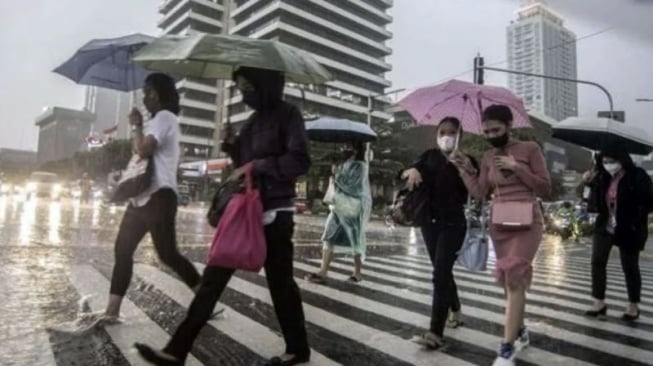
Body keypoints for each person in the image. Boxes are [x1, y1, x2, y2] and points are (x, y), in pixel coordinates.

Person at [135, 66, 311, 366]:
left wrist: (258, 167)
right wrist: (232, 146)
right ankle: (176, 350)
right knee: (212, 280)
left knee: (281, 285)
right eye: (240, 89)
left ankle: (298, 349)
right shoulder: (253, 121)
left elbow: (299, 159)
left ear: (264, 85)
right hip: (244, 212)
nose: (244, 95)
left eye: (248, 88)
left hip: (275, 213)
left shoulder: (289, 115)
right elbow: (242, 164)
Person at [450, 105, 551, 366]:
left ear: (509, 126)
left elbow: (544, 187)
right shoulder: (487, 156)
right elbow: (480, 192)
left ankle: (506, 349)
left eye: (496, 129)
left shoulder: (529, 149)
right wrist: (464, 169)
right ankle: (520, 330)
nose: (491, 134)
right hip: (500, 222)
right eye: (486, 131)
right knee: (510, 283)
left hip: (528, 221)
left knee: (516, 278)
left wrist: (516, 167)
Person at [101, 73, 202, 322]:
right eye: (144, 92)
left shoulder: (165, 117)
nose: (145, 97)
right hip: (140, 198)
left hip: (159, 196)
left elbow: (144, 150)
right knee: (122, 250)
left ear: (158, 94)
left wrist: (136, 125)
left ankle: (206, 301)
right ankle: (111, 312)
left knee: (168, 254)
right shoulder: (157, 121)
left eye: (148, 92)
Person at [400, 117, 478, 350]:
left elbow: (479, 190)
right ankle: (455, 308)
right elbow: (405, 174)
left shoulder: (467, 160)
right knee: (440, 271)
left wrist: (468, 169)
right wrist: (410, 170)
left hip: (454, 224)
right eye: (442, 132)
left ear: (459, 136)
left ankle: (435, 331)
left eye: (452, 132)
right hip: (429, 223)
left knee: (440, 273)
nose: (446, 136)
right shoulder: (429, 156)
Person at [583, 146, 653, 321]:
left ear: (622, 160)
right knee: (597, 262)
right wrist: (589, 182)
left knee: (629, 266)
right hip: (604, 226)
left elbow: (649, 201)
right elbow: (592, 203)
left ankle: (633, 305)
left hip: (629, 227)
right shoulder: (602, 176)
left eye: (612, 161)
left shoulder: (638, 175)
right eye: (605, 162)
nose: (608, 165)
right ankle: (599, 302)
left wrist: (635, 213)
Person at [305, 141, 372, 284]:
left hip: (351, 209)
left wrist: (338, 177)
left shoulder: (361, 167)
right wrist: (334, 176)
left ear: (355, 149)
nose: (344, 149)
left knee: (354, 240)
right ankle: (323, 271)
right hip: (337, 207)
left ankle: (357, 272)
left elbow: (354, 188)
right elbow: (339, 186)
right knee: (328, 236)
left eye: (348, 146)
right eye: (344, 146)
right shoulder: (342, 165)